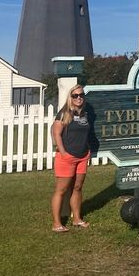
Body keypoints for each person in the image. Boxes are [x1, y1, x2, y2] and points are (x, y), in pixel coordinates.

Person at [51, 84, 94, 232]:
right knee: (61, 190)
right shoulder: (64, 113)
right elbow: (55, 133)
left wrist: (88, 150)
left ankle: (77, 219)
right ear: (70, 97)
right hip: (67, 157)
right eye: (75, 95)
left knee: (77, 187)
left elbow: (86, 133)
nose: (79, 98)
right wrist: (63, 153)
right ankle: (57, 224)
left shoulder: (85, 113)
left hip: (82, 157)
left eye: (81, 95)